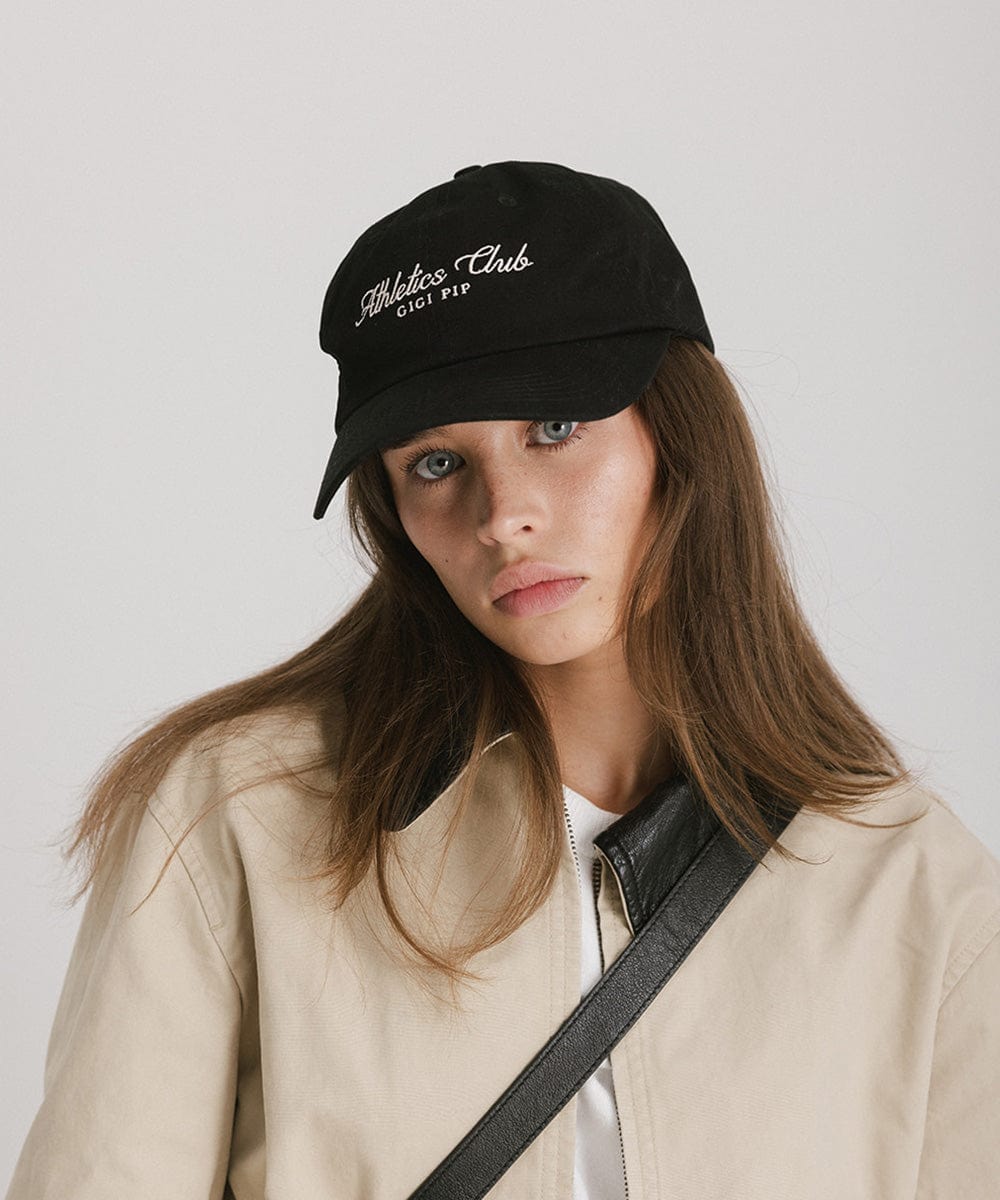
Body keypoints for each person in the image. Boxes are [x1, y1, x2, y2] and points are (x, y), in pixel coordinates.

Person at [7, 160, 999, 1200]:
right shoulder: (240, 816)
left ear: (680, 435)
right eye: (436, 463)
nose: (503, 515)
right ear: (390, 507)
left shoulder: (912, 891)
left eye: (555, 428)